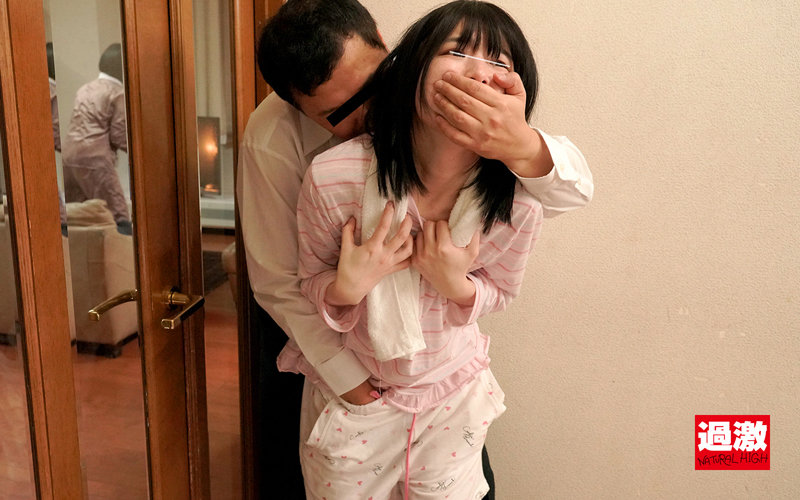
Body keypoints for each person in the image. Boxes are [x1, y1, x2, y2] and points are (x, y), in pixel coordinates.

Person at [237, 0, 592, 497]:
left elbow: (568, 196)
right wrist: (351, 381)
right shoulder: (280, 144)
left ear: (387, 48)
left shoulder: (445, 83)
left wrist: (521, 145)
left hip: (444, 381)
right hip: (336, 351)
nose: (370, 112)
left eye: (374, 86)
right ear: (298, 109)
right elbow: (281, 281)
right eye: (339, 113)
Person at [62, 43, 131, 235]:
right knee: (117, 216)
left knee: (79, 217)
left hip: (69, 157)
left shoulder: (85, 88)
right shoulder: (117, 92)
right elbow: (119, 134)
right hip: (95, 159)